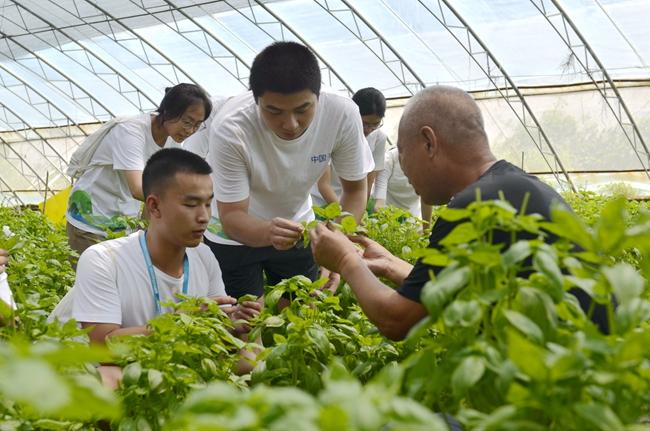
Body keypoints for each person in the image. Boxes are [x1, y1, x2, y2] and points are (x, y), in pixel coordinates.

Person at [310, 85, 603, 341]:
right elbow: (451, 292)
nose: (404, 168)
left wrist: (345, 258)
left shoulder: (472, 205)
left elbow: (396, 321)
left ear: (429, 142)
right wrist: (389, 265)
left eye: (402, 152)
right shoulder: (515, 187)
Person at [204, 41, 374, 298]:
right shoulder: (231, 128)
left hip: (296, 227)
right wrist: (266, 232)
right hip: (232, 234)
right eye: (274, 111)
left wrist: (338, 244)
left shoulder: (341, 113)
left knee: (301, 313)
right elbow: (233, 216)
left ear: (318, 97)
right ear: (256, 99)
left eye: (303, 109)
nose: (290, 124)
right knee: (244, 322)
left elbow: (355, 190)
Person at [51, 148, 261, 344]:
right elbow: (103, 346)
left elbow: (213, 327)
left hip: (157, 362)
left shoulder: (204, 257)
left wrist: (233, 325)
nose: (204, 217)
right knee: (111, 375)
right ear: (154, 206)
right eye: (191, 205)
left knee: (250, 358)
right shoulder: (104, 259)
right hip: (76, 369)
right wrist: (179, 321)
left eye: (207, 204)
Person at [66, 83, 212, 256]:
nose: (190, 131)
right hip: (91, 221)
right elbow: (137, 188)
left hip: (122, 224)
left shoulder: (172, 141)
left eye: (197, 125)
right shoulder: (130, 131)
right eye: (187, 122)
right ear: (168, 111)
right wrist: (183, 203)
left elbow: (156, 187)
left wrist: (148, 234)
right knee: (94, 280)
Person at [313, 87, 388, 206]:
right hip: (318, 200)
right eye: (365, 123)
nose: (369, 129)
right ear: (354, 115)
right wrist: (344, 213)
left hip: (348, 199)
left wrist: (359, 209)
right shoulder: (336, 130)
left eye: (375, 124)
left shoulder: (379, 138)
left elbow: (369, 178)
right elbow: (323, 184)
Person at [373, 146, 433, 223]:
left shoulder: (427, 163)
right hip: (388, 219)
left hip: (412, 224)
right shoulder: (388, 160)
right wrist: (390, 224)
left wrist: (426, 232)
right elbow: (379, 205)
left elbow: (426, 201)